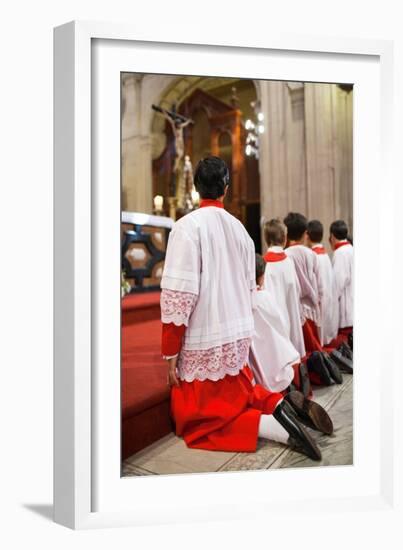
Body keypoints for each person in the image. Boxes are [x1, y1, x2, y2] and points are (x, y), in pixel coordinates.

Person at [160, 156, 323, 460]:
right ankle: (277, 404)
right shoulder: (241, 231)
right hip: (236, 338)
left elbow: (178, 297)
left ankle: (275, 427)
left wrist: (170, 354)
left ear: (197, 189)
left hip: (204, 335)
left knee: (197, 422)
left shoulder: (186, 228)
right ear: (226, 188)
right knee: (239, 394)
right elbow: (251, 290)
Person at [250, 254, 333, 435]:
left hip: (258, 367)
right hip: (278, 357)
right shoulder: (266, 297)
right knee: (288, 359)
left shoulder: (243, 301)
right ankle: (295, 400)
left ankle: (284, 407)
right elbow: (281, 324)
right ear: (262, 276)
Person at [283, 213, 343, 385]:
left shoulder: (286, 255)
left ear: (287, 233)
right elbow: (319, 285)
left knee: (299, 349)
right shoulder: (311, 254)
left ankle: (308, 375)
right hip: (311, 309)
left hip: (295, 309)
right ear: (305, 233)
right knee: (313, 346)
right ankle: (321, 371)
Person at [262, 219, 306, 359]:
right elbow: (297, 289)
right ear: (285, 239)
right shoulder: (288, 261)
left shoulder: (264, 265)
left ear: (266, 239)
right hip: (290, 314)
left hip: (273, 321)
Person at [306, 219, 339, 346]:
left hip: (319, 303)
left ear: (307, 236)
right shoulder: (325, 255)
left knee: (320, 340)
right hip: (328, 300)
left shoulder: (313, 257)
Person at [329, 220, 354, 335]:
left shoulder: (340, 253)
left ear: (332, 236)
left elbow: (337, 283)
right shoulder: (352, 249)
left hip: (347, 312)